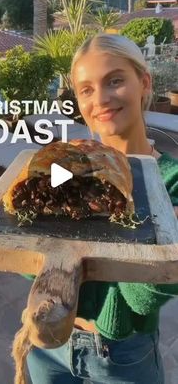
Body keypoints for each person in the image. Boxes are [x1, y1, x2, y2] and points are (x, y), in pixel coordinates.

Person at [26, 34, 178, 384]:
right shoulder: (66, 166)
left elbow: (138, 300)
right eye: (86, 89)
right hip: (47, 344)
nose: (102, 99)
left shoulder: (169, 180)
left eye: (115, 81)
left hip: (122, 355)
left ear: (143, 82)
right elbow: (30, 264)